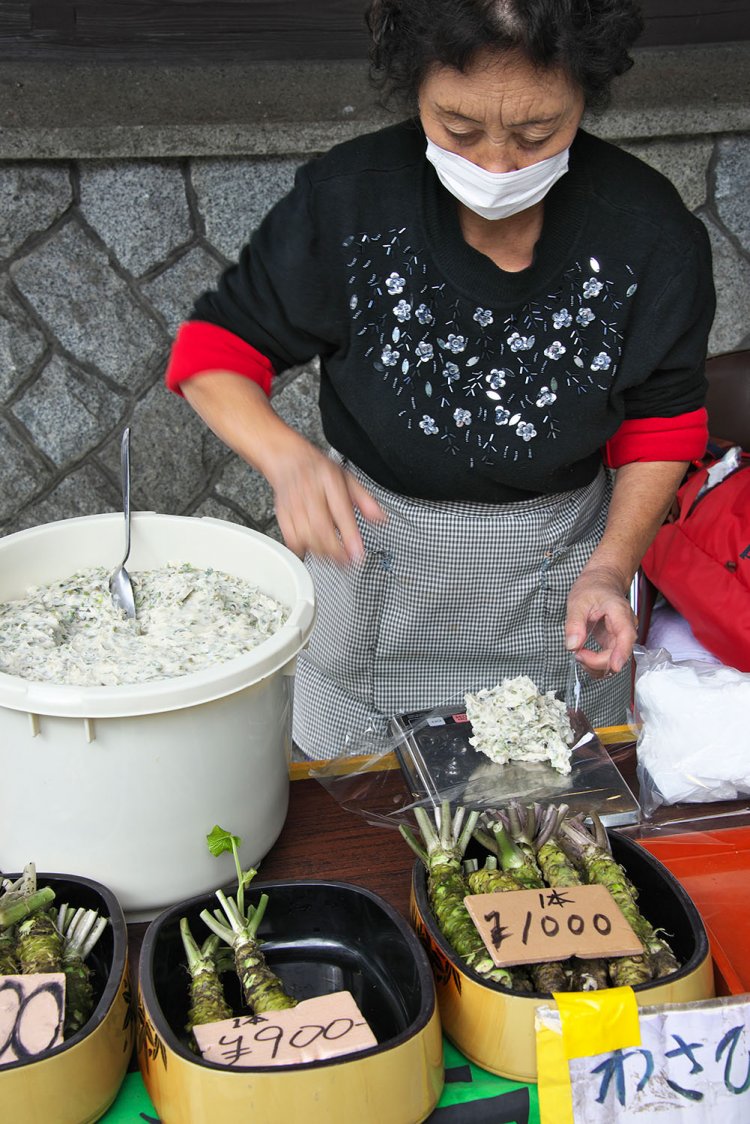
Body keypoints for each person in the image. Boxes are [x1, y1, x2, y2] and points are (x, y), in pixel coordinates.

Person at [165, 0, 715, 758]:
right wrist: (288, 459)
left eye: (536, 133)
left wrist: (612, 568)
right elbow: (213, 352)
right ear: (414, 85)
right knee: (356, 822)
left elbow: (662, 423)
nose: (495, 165)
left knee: (547, 826)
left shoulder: (647, 230)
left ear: (585, 96)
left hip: (563, 581)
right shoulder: (353, 200)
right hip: (375, 571)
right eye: (458, 129)